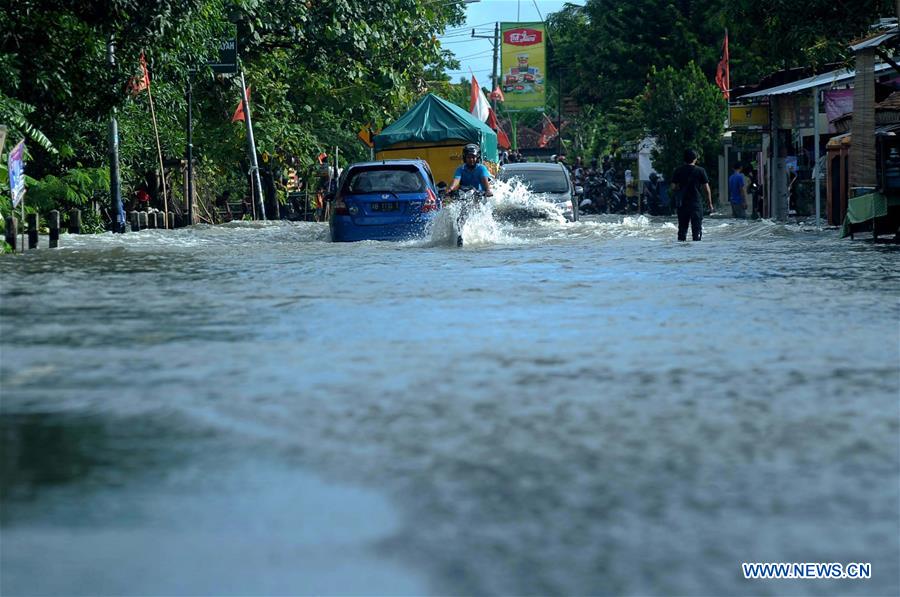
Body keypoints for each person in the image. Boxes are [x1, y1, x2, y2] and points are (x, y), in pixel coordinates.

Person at [670, 149, 713, 241]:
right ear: (695, 159)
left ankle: (682, 252)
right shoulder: (700, 170)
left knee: (682, 230)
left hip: (682, 204)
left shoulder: (678, 170)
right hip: (696, 203)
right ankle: (695, 251)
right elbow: (706, 189)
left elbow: (673, 187)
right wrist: (710, 203)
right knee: (697, 229)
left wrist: (680, 186)